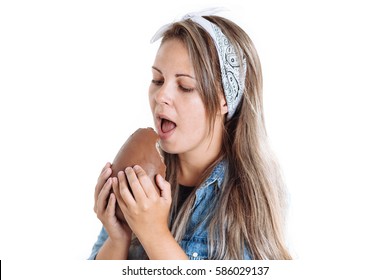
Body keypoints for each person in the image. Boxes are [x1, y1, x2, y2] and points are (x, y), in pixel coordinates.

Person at [88, 9, 292, 260]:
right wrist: (118, 236)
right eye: (157, 80)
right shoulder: (143, 181)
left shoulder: (249, 198)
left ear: (223, 101)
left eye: (185, 87)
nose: (161, 96)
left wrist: (153, 233)